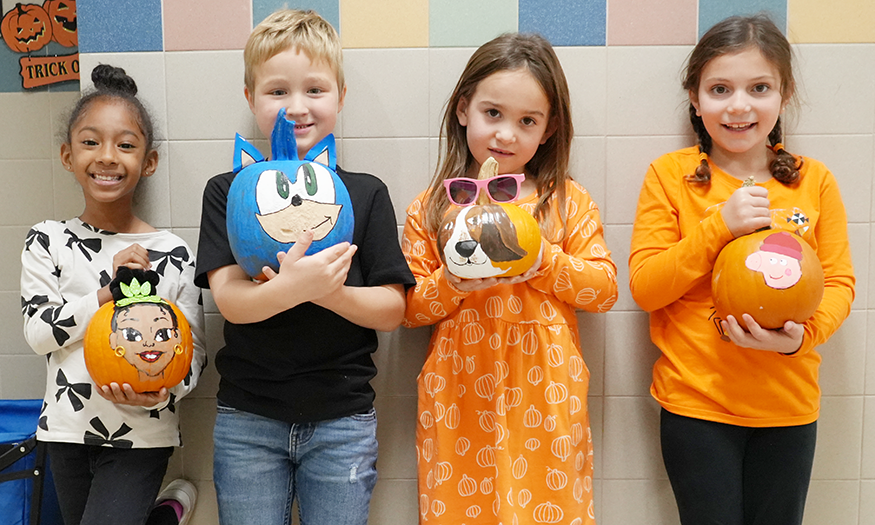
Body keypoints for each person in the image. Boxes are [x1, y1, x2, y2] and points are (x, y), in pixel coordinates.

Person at [628, 14, 855, 525]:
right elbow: (646, 287)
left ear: (784, 94)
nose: (738, 105)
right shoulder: (672, 177)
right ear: (694, 97)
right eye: (719, 88)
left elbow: (839, 283)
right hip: (697, 404)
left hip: (789, 403)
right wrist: (717, 229)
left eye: (759, 88)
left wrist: (800, 339)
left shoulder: (812, 182)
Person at [194, 9, 415, 525]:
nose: (296, 108)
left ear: (340, 95)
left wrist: (326, 291)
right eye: (277, 92)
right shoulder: (227, 192)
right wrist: (297, 287)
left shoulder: (365, 192)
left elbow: (391, 310)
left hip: (343, 419)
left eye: (315, 90)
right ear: (250, 99)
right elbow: (230, 301)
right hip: (248, 417)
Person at [402, 33, 618, 524]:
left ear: (549, 128)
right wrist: (452, 284)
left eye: (527, 121)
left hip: (547, 392)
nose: (506, 134)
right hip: (459, 391)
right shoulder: (433, 206)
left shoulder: (566, 201)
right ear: (463, 110)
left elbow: (604, 291)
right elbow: (409, 309)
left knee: (551, 509)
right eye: (492, 113)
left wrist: (544, 260)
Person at [20, 64, 206, 525]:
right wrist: (108, 293)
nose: (107, 156)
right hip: (65, 430)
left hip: (143, 433)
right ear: (68, 155)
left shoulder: (172, 250)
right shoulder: (47, 239)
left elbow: (194, 351)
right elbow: (39, 333)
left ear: (149, 162)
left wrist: (164, 394)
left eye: (126, 145)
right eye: (90, 142)